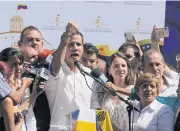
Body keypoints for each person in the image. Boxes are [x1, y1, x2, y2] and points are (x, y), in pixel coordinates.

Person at [45, 21, 95, 131]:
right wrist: (66, 38)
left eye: (78, 44)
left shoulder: (90, 75)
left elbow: (95, 107)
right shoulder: (56, 70)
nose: (75, 48)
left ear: (82, 48)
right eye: (70, 44)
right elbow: (56, 67)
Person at [18, 26, 50, 131]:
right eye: (30, 39)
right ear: (19, 44)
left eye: (38, 40)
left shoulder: (49, 66)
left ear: (42, 45)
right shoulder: (12, 68)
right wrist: (27, 62)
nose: (34, 43)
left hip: (45, 125)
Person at [91, 52, 134, 131]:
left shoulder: (134, 89)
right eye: (116, 66)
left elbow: (136, 94)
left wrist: (116, 88)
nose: (121, 68)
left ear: (128, 69)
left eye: (123, 65)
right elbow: (96, 112)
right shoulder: (102, 91)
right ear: (109, 70)